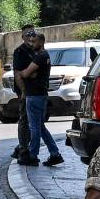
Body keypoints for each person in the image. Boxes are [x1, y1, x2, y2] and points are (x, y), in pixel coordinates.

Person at [17, 33, 63, 166]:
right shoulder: (44, 56)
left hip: (35, 95)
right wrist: (30, 73)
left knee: (34, 127)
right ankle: (55, 154)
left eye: (34, 41)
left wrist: (24, 73)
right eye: (30, 41)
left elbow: (25, 73)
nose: (31, 44)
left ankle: (32, 155)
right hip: (39, 95)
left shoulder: (41, 56)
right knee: (40, 127)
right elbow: (30, 73)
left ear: (41, 42)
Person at [11, 25, 36, 161]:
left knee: (35, 121)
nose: (31, 36)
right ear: (23, 37)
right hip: (25, 91)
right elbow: (17, 73)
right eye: (28, 34)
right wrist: (23, 91)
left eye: (33, 33)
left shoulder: (36, 49)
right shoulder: (20, 51)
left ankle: (26, 145)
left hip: (36, 91)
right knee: (24, 119)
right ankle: (22, 147)